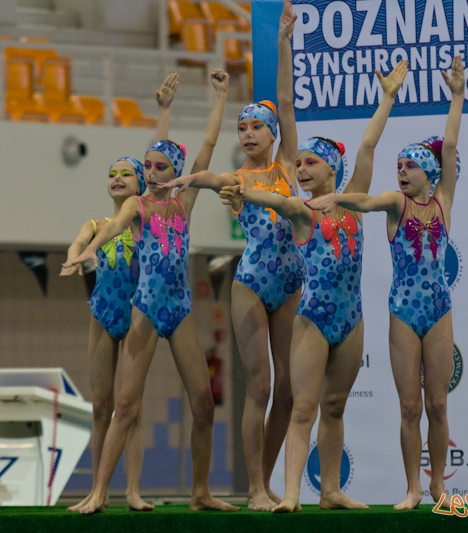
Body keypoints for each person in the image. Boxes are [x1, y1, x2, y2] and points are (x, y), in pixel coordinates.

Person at [216, 58, 406, 513]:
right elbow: (273, 199)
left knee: (335, 406)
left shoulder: (353, 201)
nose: (300, 169)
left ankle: (331, 490)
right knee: (303, 407)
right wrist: (242, 192)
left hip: (351, 317)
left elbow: (368, 145)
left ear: (331, 169)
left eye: (310, 163)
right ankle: (291, 494)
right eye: (298, 163)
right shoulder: (302, 211)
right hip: (313, 317)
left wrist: (387, 98)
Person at [64, 69, 238, 514]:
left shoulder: (183, 202)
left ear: (176, 172)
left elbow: (206, 146)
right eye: (149, 168)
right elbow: (114, 227)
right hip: (144, 308)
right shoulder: (137, 205)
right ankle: (99, 492)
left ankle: (200, 492)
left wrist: (221, 95)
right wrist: (89, 250)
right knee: (124, 404)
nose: (154, 173)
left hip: (179, 308)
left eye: (162, 168)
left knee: (204, 404)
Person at [160, 0, 302, 509]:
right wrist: (190, 179)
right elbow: (210, 174)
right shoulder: (236, 180)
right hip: (252, 283)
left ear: (272, 133)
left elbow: (285, 99)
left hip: (292, 281)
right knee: (260, 384)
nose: (247, 134)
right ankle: (255, 489)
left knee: (289, 389)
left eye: (255, 127)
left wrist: (283, 41)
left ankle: (265, 480)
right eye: (241, 129)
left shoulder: (288, 165)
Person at [308, 55, 465, 510]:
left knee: (438, 405)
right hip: (404, 312)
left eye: (409, 166)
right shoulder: (397, 203)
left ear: (428, 174)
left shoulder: (443, 202)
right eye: (398, 166)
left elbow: (451, 147)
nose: (401, 172)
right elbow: (368, 200)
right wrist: (339, 198)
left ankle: (438, 487)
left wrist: (456, 97)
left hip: (438, 309)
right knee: (410, 407)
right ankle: (413, 488)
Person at [60, 74, 179, 512]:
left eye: (126, 173)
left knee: (133, 407)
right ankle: (99, 489)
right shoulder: (95, 225)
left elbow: (161, 161)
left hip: (135, 315)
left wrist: (163, 112)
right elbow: (80, 241)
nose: (116, 179)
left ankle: (132, 490)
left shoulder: (144, 218)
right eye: (111, 175)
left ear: (140, 182)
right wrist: (76, 256)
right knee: (100, 406)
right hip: (103, 313)